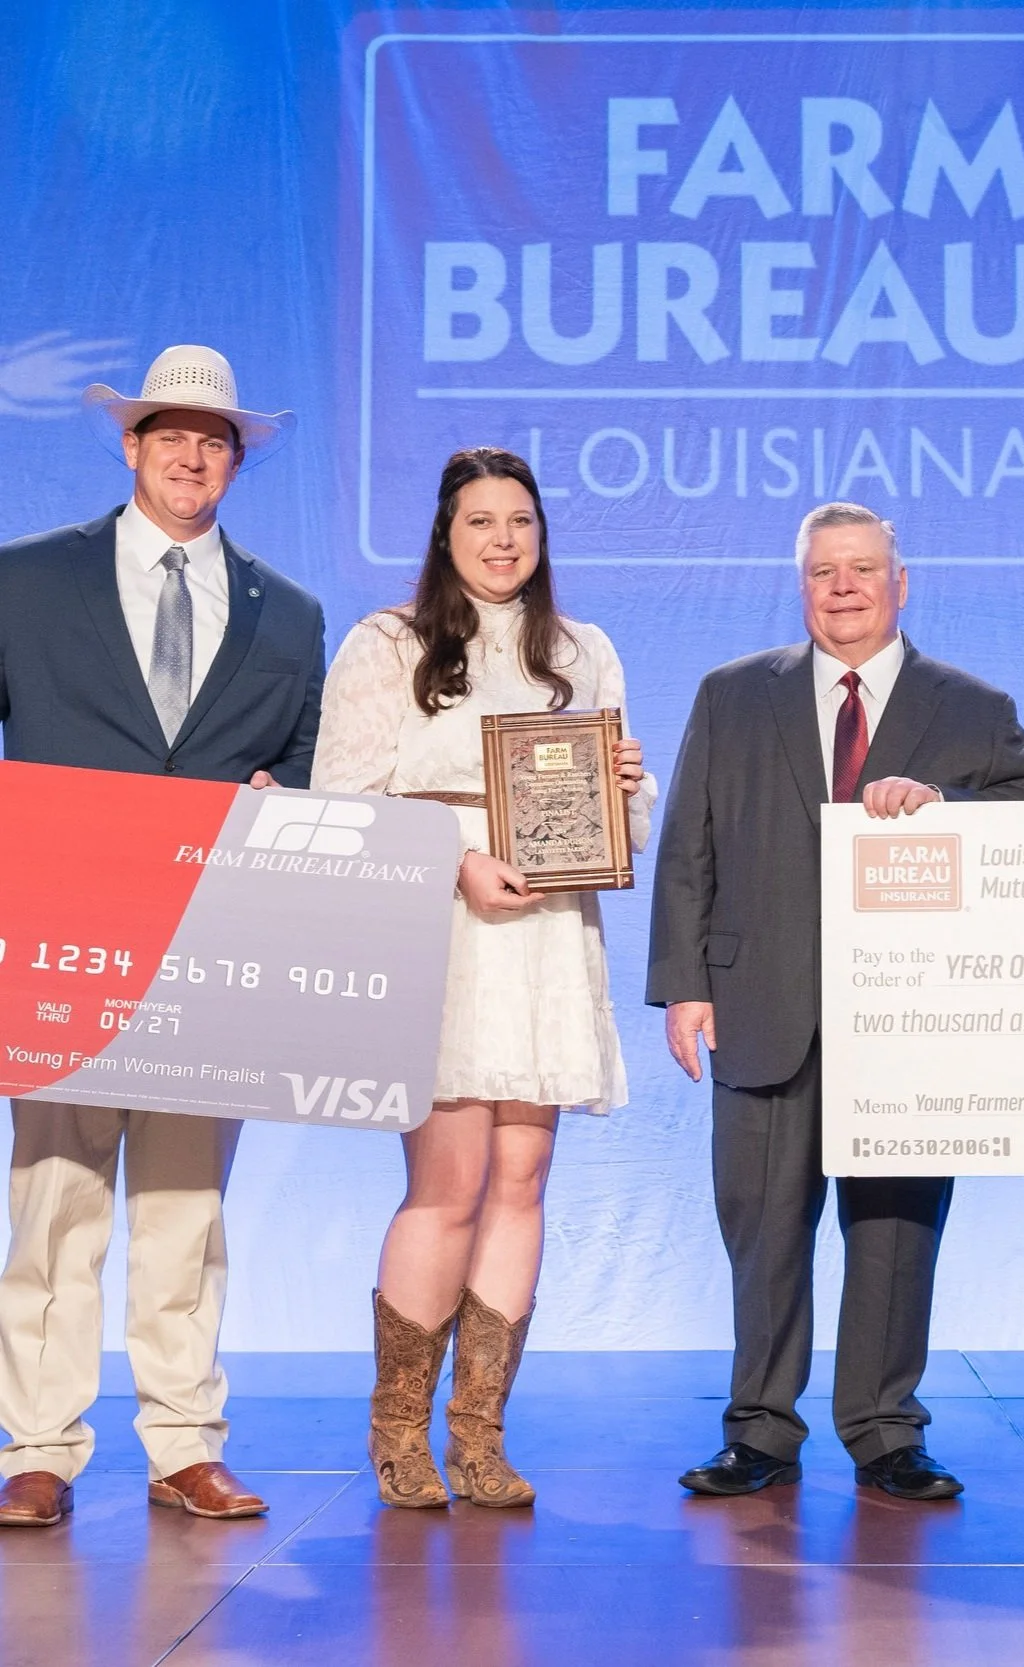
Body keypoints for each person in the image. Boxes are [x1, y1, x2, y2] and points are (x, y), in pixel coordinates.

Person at [649, 501, 1024, 1503]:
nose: (842, 587)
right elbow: (687, 841)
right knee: (762, 1226)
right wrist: (684, 985)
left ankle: (884, 1427)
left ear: (899, 582)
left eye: (862, 569)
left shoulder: (970, 703)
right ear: (802, 585)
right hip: (758, 1000)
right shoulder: (733, 692)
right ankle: (759, 1427)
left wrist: (942, 812)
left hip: (911, 1019)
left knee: (895, 1230)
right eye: (824, 571)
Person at [0, 344, 324, 1527]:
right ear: (129, 444)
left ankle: (184, 1439)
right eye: (171, 433)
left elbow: (296, 766)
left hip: (208, 941)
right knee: (54, 1194)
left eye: (216, 438)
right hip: (61, 930)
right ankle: (39, 1441)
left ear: (236, 459)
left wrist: (279, 803)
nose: (192, 454)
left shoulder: (288, 610)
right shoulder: (24, 580)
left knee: (187, 1205)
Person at [311, 445, 653, 1510]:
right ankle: (399, 1429)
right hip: (444, 932)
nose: (503, 539)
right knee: (447, 1184)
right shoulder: (389, 644)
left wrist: (627, 788)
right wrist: (454, 862)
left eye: (521, 521)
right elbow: (346, 799)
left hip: (549, 934)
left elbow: (622, 822)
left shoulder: (583, 650)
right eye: (480, 522)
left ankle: (479, 1434)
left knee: (520, 1181)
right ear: (444, 535)